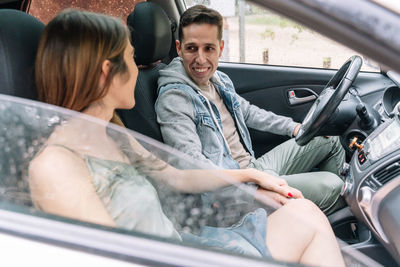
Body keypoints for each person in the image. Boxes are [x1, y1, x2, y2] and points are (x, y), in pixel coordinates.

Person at [29, 9, 345, 266]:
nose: (138, 70)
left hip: (182, 245)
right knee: (309, 221)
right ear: (106, 72)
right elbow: (118, 258)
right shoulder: (56, 165)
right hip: (174, 258)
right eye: (130, 59)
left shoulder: (113, 132)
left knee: (305, 214)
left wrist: (251, 176)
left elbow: (177, 177)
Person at [155, 5, 346, 215]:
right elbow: (192, 166)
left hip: (253, 168)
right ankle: (321, 221)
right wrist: (252, 179)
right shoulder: (174, 98)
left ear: (220, 47)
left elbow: (249, 112)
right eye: (192, 48)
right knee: (333, 185)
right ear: (179, 48)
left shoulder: (218, 80)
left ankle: (326, 220)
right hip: (231, 192)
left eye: (208, 48)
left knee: (328, 139)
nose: (200, 59)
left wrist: (296, 128)